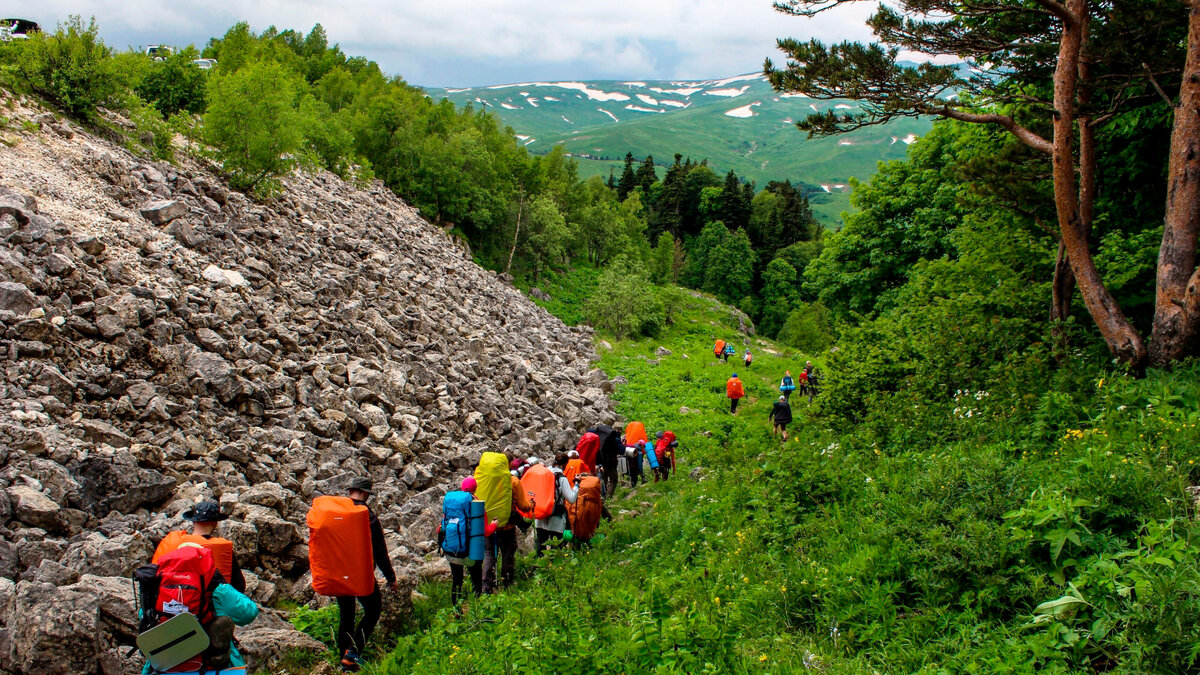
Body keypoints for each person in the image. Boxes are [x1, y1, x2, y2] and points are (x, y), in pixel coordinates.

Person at [137, 546, 259, 674]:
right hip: (208, 667)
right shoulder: (212, 587)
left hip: (163, 666)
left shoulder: (157, 585)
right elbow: (248, 612)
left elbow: (143, 617)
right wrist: (223, 584)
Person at [337, 477, 398, 672]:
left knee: (346, 615)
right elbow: (380, 552)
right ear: (365, 493)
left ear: (351, 491)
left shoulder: (338, 513)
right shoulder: (367, 516)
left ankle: (343, 659)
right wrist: (391, 577)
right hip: (361, 573)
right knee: (373, 609)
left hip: (338, 572)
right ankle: (352, 654)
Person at [152, 499, 245, 593]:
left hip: (167, 603)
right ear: (215, 523)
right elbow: (239, 586)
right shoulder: (221, 549)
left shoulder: (171, 541)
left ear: (193, 521)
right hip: (207, 606)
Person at [483, 458, 532, 593]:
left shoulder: (487, 481)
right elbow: (523, 505)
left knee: (489, 555)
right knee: (508, 554)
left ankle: (487, 585)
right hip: (507, 526)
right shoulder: (513, 481)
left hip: (489, 526)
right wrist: (531, 505)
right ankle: (507, 582)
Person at [444, 477, 483, 607]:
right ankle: (477, 608)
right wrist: (494, 525)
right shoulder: (475, 504)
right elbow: (485, 530)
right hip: (470, 550)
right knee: (476, 579)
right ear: (475, 488)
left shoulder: (452, 503)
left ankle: (456, 610)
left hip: (452, 549)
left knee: (457, 580)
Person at [535, 452, 578, 556]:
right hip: (556, 517)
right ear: (564, 465)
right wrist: (576, 485)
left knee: (540, 546)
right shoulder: (561, 478)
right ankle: (554, 568)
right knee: (556, 547)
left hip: (540, 514)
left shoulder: (544, 473)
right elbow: (571, 498)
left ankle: (538, 568)